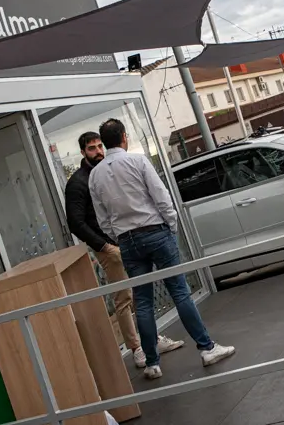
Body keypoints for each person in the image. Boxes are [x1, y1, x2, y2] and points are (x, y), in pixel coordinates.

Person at [89, 119, 235, 380]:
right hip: (155, 231)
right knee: (179, 291)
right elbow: (161, 197)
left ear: (104, 141)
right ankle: (206, 348)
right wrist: (171, 226)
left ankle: (152, 363)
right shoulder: (138, 161)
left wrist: (120, 236)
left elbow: (102, 219)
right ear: (124, 137)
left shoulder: (95, 175)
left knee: (142, 301)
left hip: (127, 240)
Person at [65, 131, 184, 369]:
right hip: (109, 246)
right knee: (124, 298)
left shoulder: (106, 171)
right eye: (91, 148)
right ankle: (137, 348)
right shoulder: (78, 182)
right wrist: (104, 246)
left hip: (127, 241)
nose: (97, 151)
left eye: (99, 146)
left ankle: (151, 341)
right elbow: (76, 222)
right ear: (82, 152)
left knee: (141, 296)